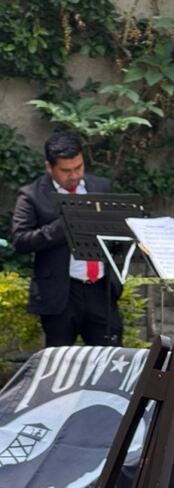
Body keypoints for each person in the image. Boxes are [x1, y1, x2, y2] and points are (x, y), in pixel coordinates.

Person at [12, 131, 122, 346]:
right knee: (59, 365)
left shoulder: (100, 187)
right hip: (61, 294)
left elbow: (116, 234)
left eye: (79, 167)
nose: (74, 175)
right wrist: (64, 225)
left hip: (100, 289)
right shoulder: (32, 195)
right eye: (66, 171)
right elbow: (21, 240)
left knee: (110, 361)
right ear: (49, 167)